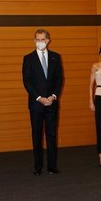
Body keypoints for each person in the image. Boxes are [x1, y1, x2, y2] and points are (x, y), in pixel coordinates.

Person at [22, 29, 63, 175]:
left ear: (48, 40)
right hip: (36, 103)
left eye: (43, 39)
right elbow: (27, 82)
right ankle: (37, 167)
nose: (41, 42)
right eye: (38, 40)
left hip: (52, 103)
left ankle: (52, 166)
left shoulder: (56, 57)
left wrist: (53, 96)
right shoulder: (28, 58)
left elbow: (59, 80)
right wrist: (39, 98)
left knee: (52, 135)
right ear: (34, 41)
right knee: (37, 135)